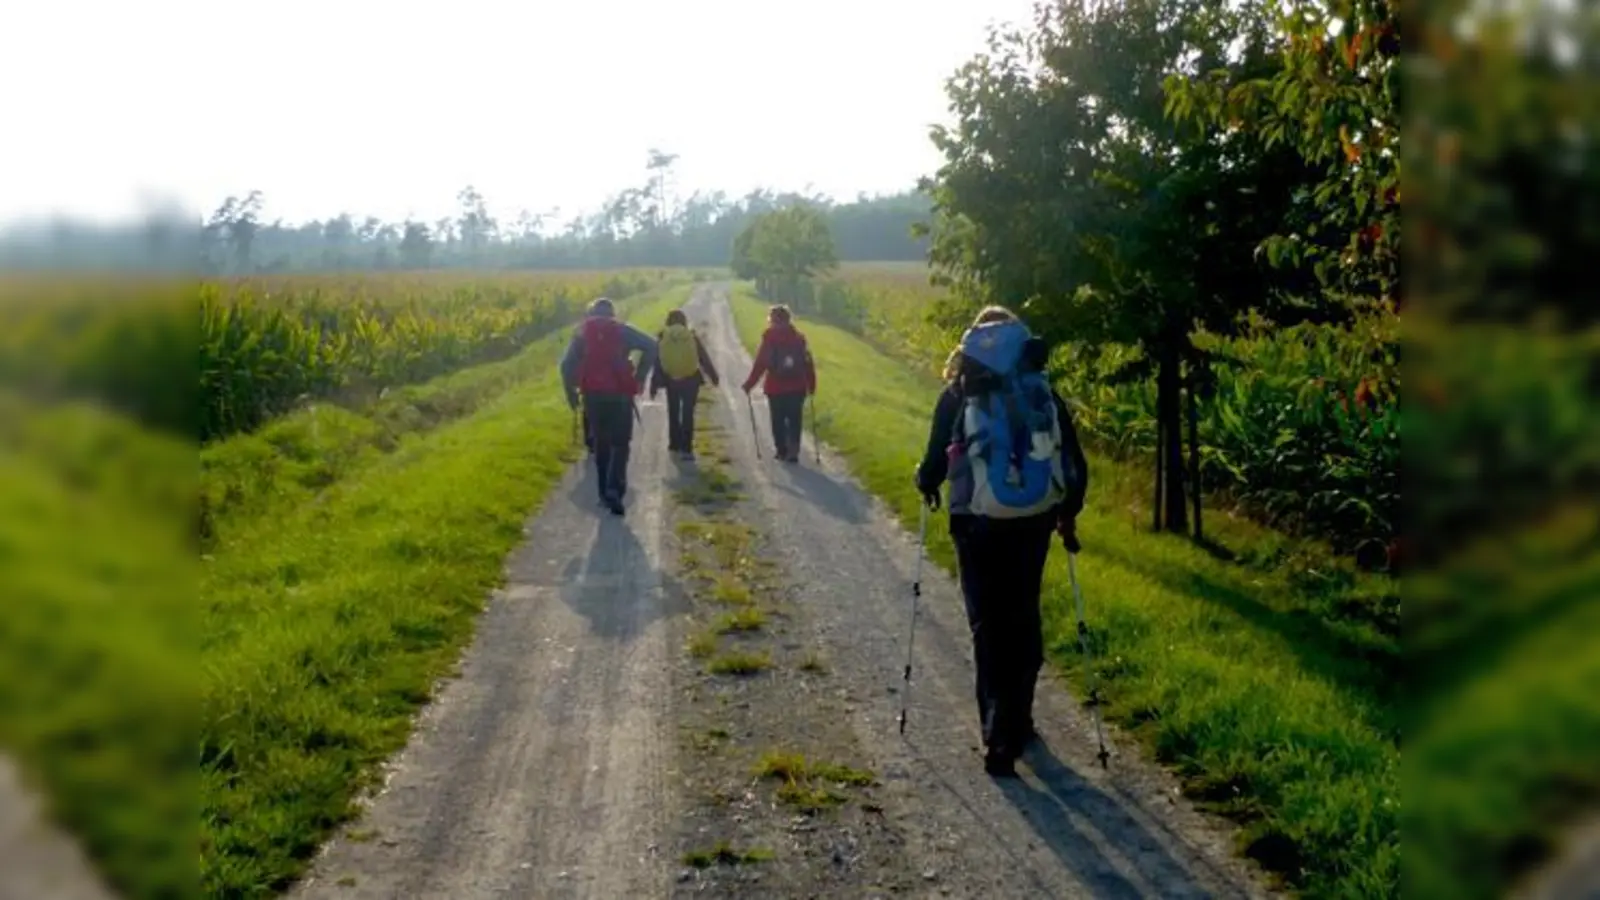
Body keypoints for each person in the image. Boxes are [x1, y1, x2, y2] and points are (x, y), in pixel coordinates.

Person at [913, 305, 1089, 777]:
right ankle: (1021, 720)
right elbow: (1073, 463)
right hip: (1032, 521)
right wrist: (1066, 514)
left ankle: (997, 732)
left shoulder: (958, 393)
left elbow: (932, 464)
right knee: (1023, 615)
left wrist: (925, 482)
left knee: (987, 626)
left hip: (974, 523)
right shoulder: (1041, 392)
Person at [560, 297, 656, 515]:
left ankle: (603, 493)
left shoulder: (582, 333)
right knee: (620, 444)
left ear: (590, 314)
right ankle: (615, 490)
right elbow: (652, 346)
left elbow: (566, 366)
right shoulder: (622, 330)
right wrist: (640, 377)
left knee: (601, 443)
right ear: (612, 314)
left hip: (593, 397)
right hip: (620, 395)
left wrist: (572, 396)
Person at [741, 304, 816, 463]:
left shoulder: (769, 338)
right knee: (795, 419)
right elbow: (808, 362)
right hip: (797, 386)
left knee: (778, 419)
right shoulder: (799, 338)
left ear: (772, 320)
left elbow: (761, 363)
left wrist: (749, 384)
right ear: (789, 319)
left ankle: (781, 450)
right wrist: (811, 384)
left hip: (775, 387)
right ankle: (794, 451)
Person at [649, 308, 720, 461]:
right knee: (688, 412)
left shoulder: (663, 337)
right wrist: (713, 376)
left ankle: (674, 444)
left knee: (673, 411)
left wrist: (654, 385)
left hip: (671, 379)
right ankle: (686, 446)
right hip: (690, 378)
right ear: (684, 321)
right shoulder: (691, 337)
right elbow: (703, 358)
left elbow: (657, 362)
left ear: (668, 322)